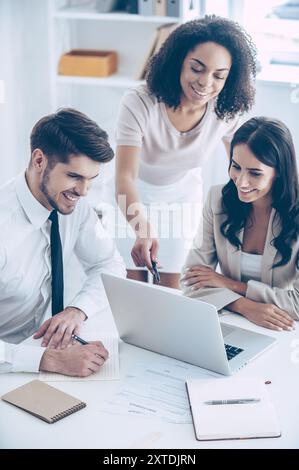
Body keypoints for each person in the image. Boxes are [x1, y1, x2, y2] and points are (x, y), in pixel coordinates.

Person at [115, 15, 257, 288]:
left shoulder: (226, 112)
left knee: (171, 287)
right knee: (133, 286)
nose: (205, 82)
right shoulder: (140, 101)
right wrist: (141, 228)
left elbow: (243, 169)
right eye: (197, 68)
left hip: (182, 197)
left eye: (219, 76)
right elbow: (125, 178)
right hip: (133, 197)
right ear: (178, 62)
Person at [0, 108, 126, 375]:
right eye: (74, 176)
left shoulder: (73, 205)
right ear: (39, 160)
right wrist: (49, 361)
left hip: (37, 347)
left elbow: (110, 264)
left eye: (91, 179)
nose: (83, 191)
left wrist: (77, 309)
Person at [181, 117, 299, 331]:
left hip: (279, 327)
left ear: (279, 171)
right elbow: (191, 280)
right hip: (225, 319)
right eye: (236, 167)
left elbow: (297, 304)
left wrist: (231, 285)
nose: (241, 182)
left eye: (255, 173)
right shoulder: (217, 199)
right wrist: (244, 306)